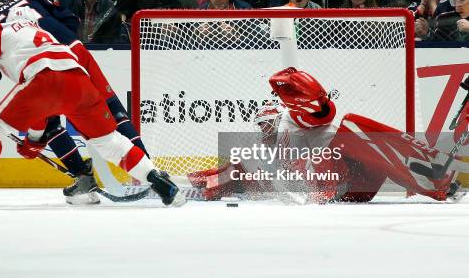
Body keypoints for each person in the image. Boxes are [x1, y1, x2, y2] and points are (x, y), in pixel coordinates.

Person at [0, 5, 186, 209]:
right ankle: (160, 182)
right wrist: (34, 137)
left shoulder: (6, 31)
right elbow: (42, 107)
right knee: (110, 142)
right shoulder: (45, 33)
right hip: (80, 82)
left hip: (43, 77)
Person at [191, 67, 464, 203]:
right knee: (331, 145)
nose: (265, 131)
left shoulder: (293, 121)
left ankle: (432, 170)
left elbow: (323, 112)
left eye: (267, 124)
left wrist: (305, 100)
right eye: (261, 126)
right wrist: (199, 185)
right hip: (338, 187)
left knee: (352, 126)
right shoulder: (264, 153)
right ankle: (432, 174)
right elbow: (232, 173)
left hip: (351, 179)